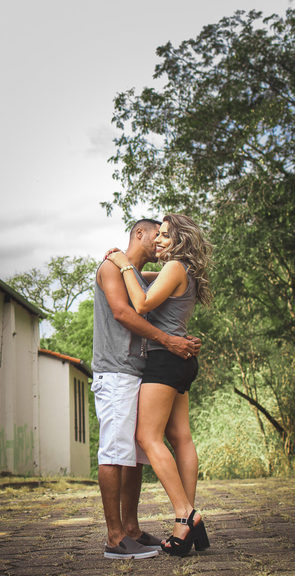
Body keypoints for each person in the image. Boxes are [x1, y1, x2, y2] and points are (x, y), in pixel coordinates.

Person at [92, 218, 201, 559]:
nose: (159, 242)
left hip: (138, 371)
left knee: (134, 457)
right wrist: (169, 339)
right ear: (140, 233)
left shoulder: (140, 274)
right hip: (115, 371)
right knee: (115, 453)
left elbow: (164, 280)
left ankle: (132, 530)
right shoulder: (112, 268)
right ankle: (115, 539)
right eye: (157, 235)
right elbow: (124, 313)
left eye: (166, 236)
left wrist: (132, 266)